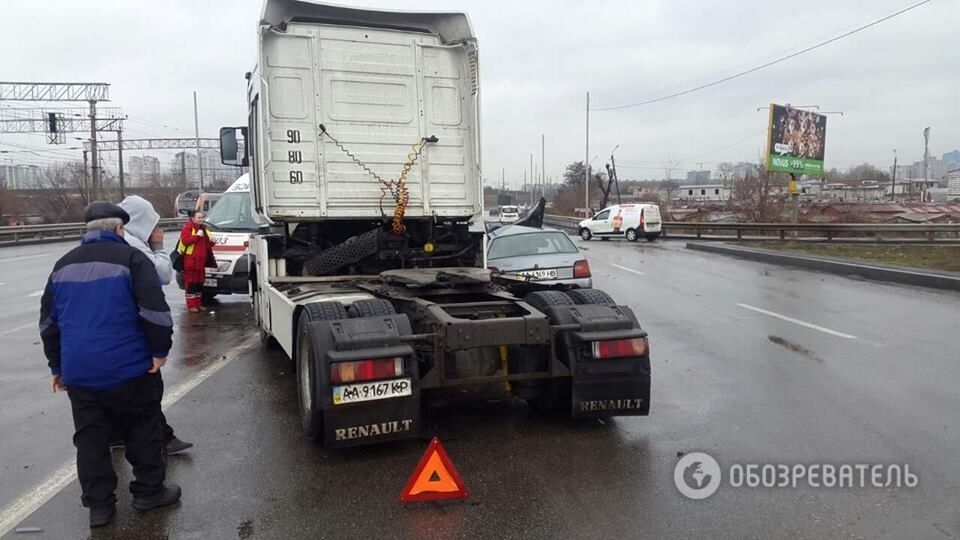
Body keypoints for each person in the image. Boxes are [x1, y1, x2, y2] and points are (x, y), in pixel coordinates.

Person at [40, 202, 181, 528]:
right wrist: (160, 351)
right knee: (142, 428)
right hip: (129, 368)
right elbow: (156, 313)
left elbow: (49, 323)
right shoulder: (133, 260)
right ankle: (148, 492)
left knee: (90, 438)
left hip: (81, 375)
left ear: (88, 231)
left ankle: (100, 508)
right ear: (120, 230)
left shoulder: (63, 265)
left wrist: (56, 366)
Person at [117, 195, 194, 455]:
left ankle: (116, 435)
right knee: (149, 389)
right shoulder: (134, 245)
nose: (154, 229)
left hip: (113, 331)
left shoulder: (119, 241)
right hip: (135, 330)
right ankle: (161, 442)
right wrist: (159, 246)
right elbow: (161, 275)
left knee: (118, 389)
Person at [178, 210, 214, 313]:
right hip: (190, 261)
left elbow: (206, 245)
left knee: (199, 283)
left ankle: (198, 303)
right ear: (192, 218)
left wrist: (212, 242)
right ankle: (191, 305)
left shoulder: (203, 228)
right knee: (191, 284)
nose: (201, 219)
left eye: (202, 217)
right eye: (199, 217)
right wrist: (197, 236)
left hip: (200, 261)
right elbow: (185, 241)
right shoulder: (188, 228)